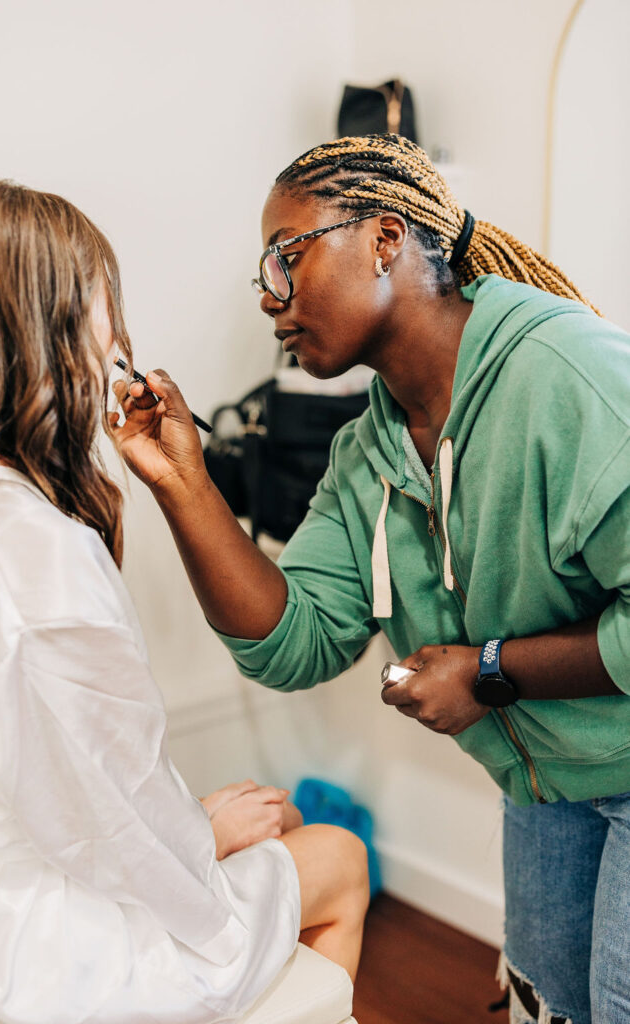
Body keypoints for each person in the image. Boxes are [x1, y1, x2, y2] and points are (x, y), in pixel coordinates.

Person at [113, 134, 630, 1024]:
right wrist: (187, 489)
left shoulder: (570, 376)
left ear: (385, 239)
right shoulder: (369, 451)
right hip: (550, 785)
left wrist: (487, 671)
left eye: (287, 256)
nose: (272, 299)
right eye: (261, 277)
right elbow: (294, 641)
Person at [0, 178, 369, 1024]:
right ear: (52, 330)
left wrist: (182, 817)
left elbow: (68, 781)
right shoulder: (35, 552)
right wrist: (198, 833)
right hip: (52, 962)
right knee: (335, 853)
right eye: (107, 304)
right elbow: (108, 825)